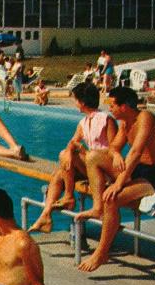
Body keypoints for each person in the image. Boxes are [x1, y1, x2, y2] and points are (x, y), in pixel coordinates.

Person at [76, 87, 155, 272]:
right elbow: (114, 146)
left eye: (112, 105)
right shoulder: (124, 124)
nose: (109, 108)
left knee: (111, 199)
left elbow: (136, 152)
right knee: (93, 157)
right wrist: (115, 154)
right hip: (137, 170)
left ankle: (102, 252)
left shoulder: (145, 118)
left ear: (125, 106)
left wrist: (119, 183)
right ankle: (97, 208)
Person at [28, 82, 118, 233]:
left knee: (64, 156)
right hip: (90, 166)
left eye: (75, 100)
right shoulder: (83, 122)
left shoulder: (106, 120)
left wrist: (82, 152)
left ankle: (69, 196)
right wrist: (71, 151)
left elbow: (114, 150)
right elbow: (72, 142)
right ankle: (46, 215)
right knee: (58, 174)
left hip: (104, 169)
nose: (75, 103)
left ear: (82, 102)